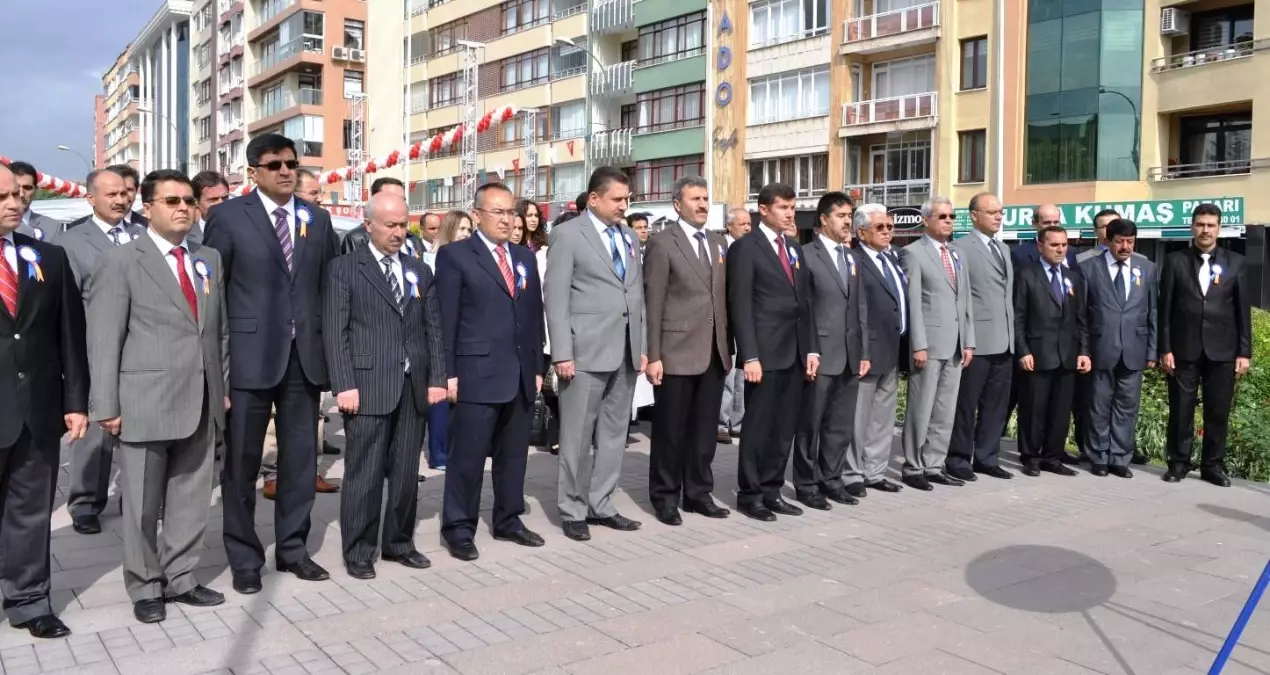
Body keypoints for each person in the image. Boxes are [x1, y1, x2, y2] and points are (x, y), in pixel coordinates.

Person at [86, 169, 229, 623]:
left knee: (191, 497)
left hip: (202, 399)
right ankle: (146, 584)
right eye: (172, 201)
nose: (183, 208)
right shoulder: (123, 261)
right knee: (143, 504)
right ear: (147, 208)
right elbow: (104, 338)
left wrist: (220, 388)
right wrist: (106, 406)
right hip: (144, 401)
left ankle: (182, 576)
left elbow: (218, 332)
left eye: (189, 200)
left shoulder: (208, 258)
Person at [204, 133, 339, 594]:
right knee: (241, 463)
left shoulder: (317, 220)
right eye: (275, 164)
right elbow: (215, 295)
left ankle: (293, 550)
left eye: (291, 164)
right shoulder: (226, 217)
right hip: (248, 357)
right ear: (254, 172)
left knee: (301, 461)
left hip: (303, 359)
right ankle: (244, 558)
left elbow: (328, 289)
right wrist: (218, 364)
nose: (286, 171)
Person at [324, 192, 446, 578]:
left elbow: (433, 330)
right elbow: (335, 331)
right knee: (365, 473)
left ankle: (399, 542)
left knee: (407, 470)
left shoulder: (418, 270)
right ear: (369, 225)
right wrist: (344, 383)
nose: (398, 232)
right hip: (367, 384)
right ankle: (358, 550)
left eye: (402, 224)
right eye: (390, 224)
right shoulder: (345, 268)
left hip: (413, 386)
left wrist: (437, 379)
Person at [0, 163, 89, 639]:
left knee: (31, 510)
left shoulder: (47, 258)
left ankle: (30, 600)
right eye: (3, 197)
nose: (15, 203)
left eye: (17, 195)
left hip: (36, 408)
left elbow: (69, 335)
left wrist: (75, 400)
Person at [436, 182, 547, 560]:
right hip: (475, 372)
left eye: (510, 211)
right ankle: (458, 527)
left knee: (514, 455)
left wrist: (535, 365)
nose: (506, 219)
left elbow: (533, 314)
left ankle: (508, 519)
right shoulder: (456, 256)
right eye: (498, 212)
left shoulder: (524, 257)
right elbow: (445, 319)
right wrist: (447, 373)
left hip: (519, 372)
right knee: (467, 457)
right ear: (478, 214)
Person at [545, 166, 646, 541]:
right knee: (576, 435)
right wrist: (562, 353)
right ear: (594, 198)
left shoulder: (629, 238)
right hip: (584, 352)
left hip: (625, 351)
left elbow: (636, 296)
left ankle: (601, 504)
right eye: (618, 199)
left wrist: (644, 346)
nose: (625, 205)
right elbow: (555, 299)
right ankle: (572, 509)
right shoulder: (568, 235)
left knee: (615, 435)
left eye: (627, 199)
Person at [55, 167, 145, 534]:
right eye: (111, 194)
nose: (121, 200)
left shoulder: (144, 233)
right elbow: (69, 306)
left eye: (125, 193)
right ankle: (86, 504)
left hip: (142, 350)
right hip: (96, 350)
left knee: (139, 431)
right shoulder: (72, 243)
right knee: (96, 433)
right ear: (90, 198)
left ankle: (137, 499)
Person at [727, 183, 819, 521]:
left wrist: (812, 349)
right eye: (783, 207)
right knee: (758, 427)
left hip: (795, 351)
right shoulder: (745, 248)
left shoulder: (794, 248)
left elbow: (804, 302)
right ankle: (750, 495)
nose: (790, 213)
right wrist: (749, 355)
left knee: (784, 428)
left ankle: (772, 489)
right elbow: (740, 305)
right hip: (764, 355)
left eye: (792, 207)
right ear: (763, 210)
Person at [643, 177, 732, 526]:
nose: (702, 205)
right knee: (670, 431)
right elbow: (654, 302)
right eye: (695, 198)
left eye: (706, 198)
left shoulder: (718, 242)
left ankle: (697, 493)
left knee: (704, 431)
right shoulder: (663, 243)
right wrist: (654, 355)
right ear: (677, 204)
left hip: (714, 350)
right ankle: (665, 497)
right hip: (675, 351)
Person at [1158, 203, 1251, 487]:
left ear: (1219, 228)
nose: (1205, 230)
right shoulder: (1175, 261)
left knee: (1217, 410)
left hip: (1222, 351)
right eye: (1200, 224)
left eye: (1210, 225)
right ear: (1192, 227)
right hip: (1183, 349)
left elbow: (1242, 311)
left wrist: (1244, 352)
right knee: (1181, 409)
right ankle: (1178, 462)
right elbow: (1165, 309)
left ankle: (1212, 466)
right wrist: (1165, 348)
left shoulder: (1236, 262)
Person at [794, 191, 869, 509]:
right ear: (823, 219)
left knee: (840, 424)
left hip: (850, 353)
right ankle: (806, 483)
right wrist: (809, 349)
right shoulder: (805, 255)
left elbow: (860, 306)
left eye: (850, 215)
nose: (847, 221)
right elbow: (803, 309)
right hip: (820, 353)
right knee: (811, 423)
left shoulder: (852, 256)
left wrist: (864, 351)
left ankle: (831, 478)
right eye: (841, 215)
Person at [899, 196, 974, 491]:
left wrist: (969, 342)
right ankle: (913, 465)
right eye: (942, 216)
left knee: (945, 409)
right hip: (928, 344)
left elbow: (964, 299)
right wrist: (918, 344)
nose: (948, 221)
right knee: (921, 407)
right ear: (926, 220)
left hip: (955, 344)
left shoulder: (957, 254)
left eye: (951, 217)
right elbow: (914, 303)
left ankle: (934, 464)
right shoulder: (912, 253)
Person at [1079, 218, 1156, 478]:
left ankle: (1120, 458)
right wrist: (1084, 350)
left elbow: (1153, 312)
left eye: (1130, 241)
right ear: (1108, 241)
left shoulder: (1147, 268)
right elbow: (1082, 315)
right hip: (1101, 348)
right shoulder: (1089, 268)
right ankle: (1098, 456)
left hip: (1135, 348)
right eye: (1120, 241)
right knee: (1099, 405)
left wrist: (1153, 351)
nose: (1125, 246)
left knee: (1127, 406)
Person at [948, 193, 1015, 481]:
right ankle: (959, 458)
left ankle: (987, 457)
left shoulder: (1004, 249)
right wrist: (965, 339)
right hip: (976, 341)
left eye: (1000, 212)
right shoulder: (960, 248)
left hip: (1005, 340)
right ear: (974, 215)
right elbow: (960, 298)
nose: (998, 217)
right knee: (966, 404)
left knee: (996, 405)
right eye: (992, 212)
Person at [1013, 226, 1090, 477]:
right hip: (1037, 354)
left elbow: (1082, 320)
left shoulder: (1073, 278)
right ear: (1040, 246)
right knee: (1034, 409)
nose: (1060, 249)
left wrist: (1084, 351)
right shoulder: (1027, 275)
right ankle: (1031, 457)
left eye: (1063, 245)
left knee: (1060, 411)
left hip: (1067, 355)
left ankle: (1053, 457)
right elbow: (1018, 316)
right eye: (1054, 245)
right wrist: (1023, 350)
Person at [849, 205, 905, 494]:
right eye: (880, 227)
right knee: (859, 417)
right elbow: (855, 309)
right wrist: (863, 350)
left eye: (890, 227)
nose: (887, 232)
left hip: (893, 348)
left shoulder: (891, 258)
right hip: (867, 351)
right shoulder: (854, 260)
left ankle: (875, 470)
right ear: (861, 232)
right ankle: (852, 473)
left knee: (883, 417)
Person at [717, 207, 751, 444]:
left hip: (747, 319)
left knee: (743, 374)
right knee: (727, 374)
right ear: (729, 226)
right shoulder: (720, 247)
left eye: (750, 224)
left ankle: (738, 422)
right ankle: (721, 422)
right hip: (726, 319)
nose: (748, 229)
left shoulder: (753, 249)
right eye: (743, 224)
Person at [9, 161, 64, 240]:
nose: (21, 194)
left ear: (35, 190)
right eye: (15, 187)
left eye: (27, 188)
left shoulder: (53, 227)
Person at [190, 170, 230, 244]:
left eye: (225, 198)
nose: (221, 203)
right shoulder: (183, 237)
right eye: (213, 199)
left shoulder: (244, 230)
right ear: (196, 202)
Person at [105, 164, 149, 229]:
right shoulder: (85, 226)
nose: (121, 197)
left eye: (129, 189)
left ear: (136, 191)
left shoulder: (150, 228)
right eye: (114, 190)